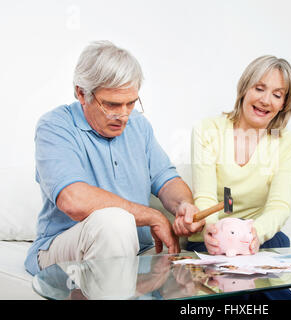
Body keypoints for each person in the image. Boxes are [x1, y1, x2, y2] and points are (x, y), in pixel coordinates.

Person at [25, 40, 203, 276]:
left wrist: (183, 206)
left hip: (137, 251)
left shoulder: (139, 126)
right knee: (114, 223)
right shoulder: (55, 126)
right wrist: (152, 216)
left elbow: (167, 179)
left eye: (131, 103)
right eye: (112, 104)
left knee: (190, 274)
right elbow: (74, 200)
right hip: (64, 250)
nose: (124, 115)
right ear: (81, 92)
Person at [176, 55, 291, 299]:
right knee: (236, 288)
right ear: (245, 88)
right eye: (259, 88)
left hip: (260, 238)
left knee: (275, 254)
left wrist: (255, 234)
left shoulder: (288, 143)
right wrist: (214, 231)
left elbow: (279, 206)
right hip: (211, 239)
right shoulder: (207, 130)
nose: (265, 100)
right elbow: (205, 195)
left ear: (284, 103)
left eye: (277, 94)